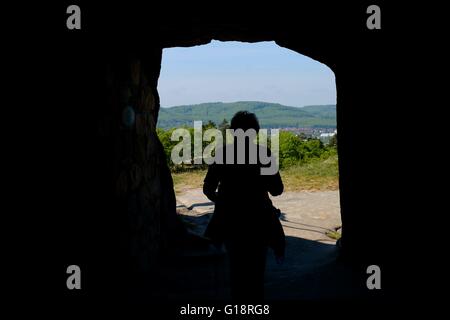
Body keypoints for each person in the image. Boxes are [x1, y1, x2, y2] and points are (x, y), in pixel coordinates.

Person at [203, 111, 285, 302]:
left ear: (233, 132)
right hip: (259, 221)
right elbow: (277, 190)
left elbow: (208, 188)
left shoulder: (223, 153)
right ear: (255, 132)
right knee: (256, 274)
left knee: (236, 274)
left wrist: (223, 201)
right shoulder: (263, 154)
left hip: (230, 221)